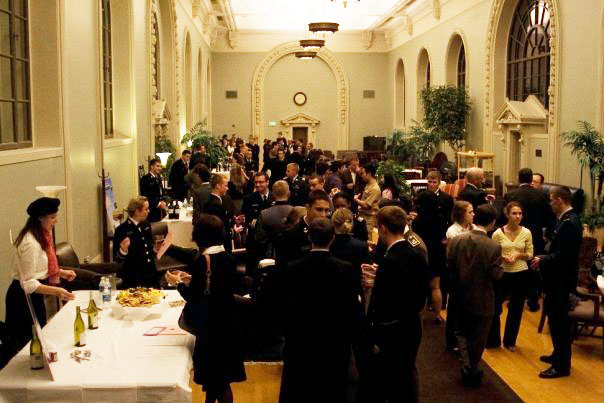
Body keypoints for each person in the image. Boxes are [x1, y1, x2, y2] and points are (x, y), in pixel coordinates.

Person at [165, 214, 246, 403]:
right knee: (218, 382)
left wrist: (177, 283)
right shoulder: (227, 257)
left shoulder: (202, 260)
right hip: (228, 324)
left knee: (216, 382)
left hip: (210, 329)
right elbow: (219, 287)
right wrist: (191, 280)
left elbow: (194, 297)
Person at [279, 218, 359, 403]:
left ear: (309, 237)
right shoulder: (345, 269)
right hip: (335, 344)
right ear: (332, 238)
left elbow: (286, 307)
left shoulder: (293, 268)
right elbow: (351, 310)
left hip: (301, 342)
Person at [361, 206, 429, 403]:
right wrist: (380, 277)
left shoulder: (390, 259)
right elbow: (414, 292)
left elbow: (386, 302)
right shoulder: (416, 252)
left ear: (382, 229)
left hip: (393, 331)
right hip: (412, 326)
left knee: (392, 383)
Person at [7, 197, 76, 355]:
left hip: (35, 295)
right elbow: (27, 283)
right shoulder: (30, 243)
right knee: (27, 346)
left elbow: (41, 268)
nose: (56, 221)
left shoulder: (42, 236)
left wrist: (62, 273)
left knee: (40, 338)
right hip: (22, 300)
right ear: (40, 218)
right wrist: (57, 291)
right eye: (52, 217)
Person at [447, 204, 502, 387]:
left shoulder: (456, 241)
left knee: (461, 332)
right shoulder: (493, 246)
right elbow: (496, 275)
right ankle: (472, 367)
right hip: (483, 299)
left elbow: (450, 267)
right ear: (493, 223)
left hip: (459, 296)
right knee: (479, 337)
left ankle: (467, 365)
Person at [530, 186, 582, 379]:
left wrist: (543, 259)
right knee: (554, 319)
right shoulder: (565, 219)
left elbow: (565, 255)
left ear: (560, 200)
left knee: (560, 322)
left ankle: (562, 366)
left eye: (552, 200)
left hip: (562, 280)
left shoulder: (570, 222)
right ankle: (557, 354)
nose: (550, 204)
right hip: (556, 279)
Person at [504, 167, 555, 311]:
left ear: (519, 178)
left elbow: (505, 217)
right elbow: (551, 218)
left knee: (516, 267)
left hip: (515, 236)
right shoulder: (542, 196)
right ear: (530, 178)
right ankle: (533, 301)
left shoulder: (511, 195)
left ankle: (515, 300)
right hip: (536, 236)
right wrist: (547, 235)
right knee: (533, 269)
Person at [489, 202, 534, 351]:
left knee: (516, 308)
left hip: (520, 273)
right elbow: (493, 254)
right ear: (507, 215)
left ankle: (510, 341)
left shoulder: (526, 232)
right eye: (514, 213)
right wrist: (503, 257)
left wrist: (518, 255)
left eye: (520, 213)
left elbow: (530, 254)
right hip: (503, 273)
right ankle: (494, 340)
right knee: (496, 307)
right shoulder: (498, 233)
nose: (518, 216)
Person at [444, 200, 475, 351]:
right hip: (457, 273)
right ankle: (452, 341)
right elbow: (452, 255)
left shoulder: (474, 228)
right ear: (462, 214)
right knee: (455, 308)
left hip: (471, 273)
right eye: (470, 212)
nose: (473, 215)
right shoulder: (453, 231)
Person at [412, 191, 447, 324]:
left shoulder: (418, 221)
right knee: (436, 286)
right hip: (437, 253)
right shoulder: (441, 218)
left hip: (422, 253)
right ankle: (438, 315)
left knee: (421, 287)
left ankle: (421, 315)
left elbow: (415, 238)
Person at [113, 196, 160, 288]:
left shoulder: (146, 225)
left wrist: (155, 249)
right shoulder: (122, 230)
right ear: (137, 211)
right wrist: (123, 250)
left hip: (150, 273)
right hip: (133, 277)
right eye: (146, 209)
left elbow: (148, 249)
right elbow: (117, 259)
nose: (149, 211)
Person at [255, 180, 293, 259]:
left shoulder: (264, 214)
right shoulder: (297, 212)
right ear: (289, 193)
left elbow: (260, 238)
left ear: (273, 194)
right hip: (293, 255)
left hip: (272, 256)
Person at [354, 163, 381, 233]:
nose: (361, 176)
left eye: (363, 173)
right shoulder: (368, 184)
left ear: (369, 174)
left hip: (369, 219)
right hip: (363, 216)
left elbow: (366, 205)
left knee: (368, 239)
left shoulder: (375, 188)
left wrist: (356, 199)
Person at [140, 158, 167, 222]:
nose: (160, 168)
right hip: (151, 211)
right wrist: (158, 204)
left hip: (160, 211)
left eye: (160, 166)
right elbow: (145, 196)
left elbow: (161, 192)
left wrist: (164, 201)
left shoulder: (158, 178)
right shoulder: (145, 179)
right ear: (152, 167)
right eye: (157, 166)